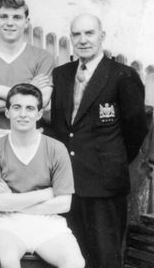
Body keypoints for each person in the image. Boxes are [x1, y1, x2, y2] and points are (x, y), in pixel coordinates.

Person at [46, 14, 147, 268]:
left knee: (105, 258)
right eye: (76, 35)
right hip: (67, 184)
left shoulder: (123, 76)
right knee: (70, 258)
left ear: (101, 37)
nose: (83, 40)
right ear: (71, 38)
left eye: (89, 33)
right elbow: (60, 128)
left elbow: (135, 130)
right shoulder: (61, 75)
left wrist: (111, 162)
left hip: (104, 184)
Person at [0, 83, 84, 268]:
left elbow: (64, 204)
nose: (23, 114)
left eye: (30, 108)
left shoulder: (56, 148)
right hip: (7, 223)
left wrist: (13, 200)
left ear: (39, 114)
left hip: (47, 222)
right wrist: (47, 193)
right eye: (16, 107)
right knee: (8, 261)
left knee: (75, 263)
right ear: (7, 112)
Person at [0, 0, 54, 145]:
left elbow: (42, 101)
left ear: (26, 22)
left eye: (17, 17)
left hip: (30, 139)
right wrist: (30, 91)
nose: (10, 23)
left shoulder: (42, 57)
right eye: (4, 17)